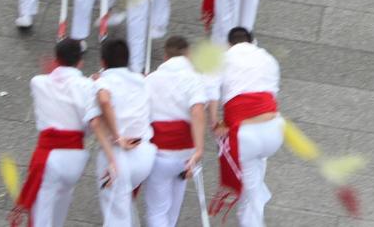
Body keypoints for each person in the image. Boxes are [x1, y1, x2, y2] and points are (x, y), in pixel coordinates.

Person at [9, 39, 118, 227]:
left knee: (42, 212)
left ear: (56, 59)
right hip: (75, 158)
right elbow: (94, 122)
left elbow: (50, 80)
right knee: (62, 202)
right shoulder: (87, 86)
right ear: (81, 61)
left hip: (50, 158)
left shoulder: (37, 82)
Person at [207, 27, 283, 225]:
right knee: (255, 178)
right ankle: (254, 204)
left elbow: (212, 93)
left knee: (251, 191)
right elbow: (273, 96)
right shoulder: (268, 59)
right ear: (252, 41)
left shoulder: (224, 58)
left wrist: (215, 123)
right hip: (273, 130)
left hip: (246, 135)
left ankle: (252, 215)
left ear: (229, 44)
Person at [145, 36, 207, 227]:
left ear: (165, 56)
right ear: (188, 55)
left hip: (159, 152)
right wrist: (199, 149)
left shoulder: (150, 80)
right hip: (185, 154)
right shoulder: (194, 79)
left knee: (157, 211)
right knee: (173, 209)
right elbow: (197, 111)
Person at [95, 38, 156, 226]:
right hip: (145, 154)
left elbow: (104, 101)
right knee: (124, 207)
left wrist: (117, 136)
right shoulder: (143, 81)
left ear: (103, 62)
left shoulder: (103, 82)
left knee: (115, 216)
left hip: (117, 155)